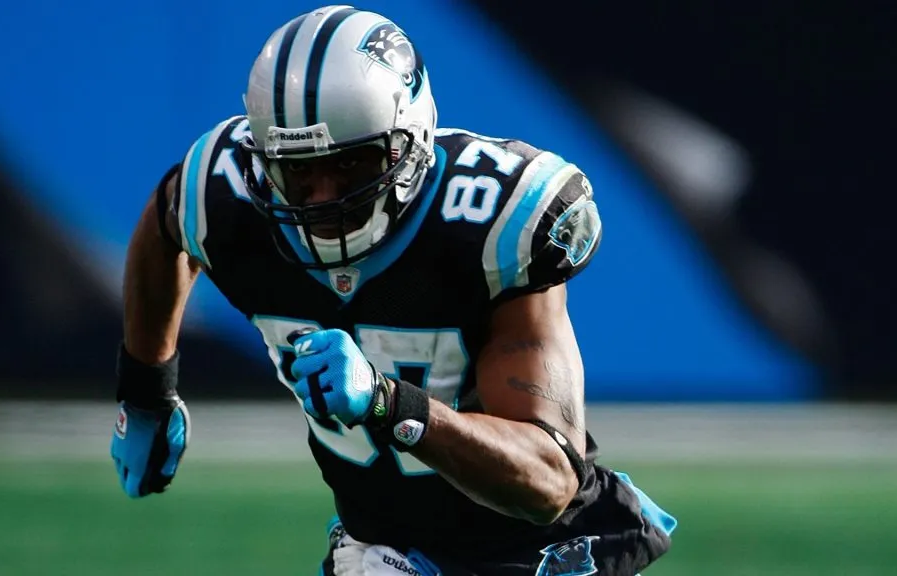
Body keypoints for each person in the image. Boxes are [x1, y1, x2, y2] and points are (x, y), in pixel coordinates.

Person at [109, 5, 676, 575]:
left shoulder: (490, 223)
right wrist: (146, 389)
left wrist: (388, 403)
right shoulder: (223, 191)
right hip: (384, 543)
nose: (324, 199)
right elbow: (166, 226)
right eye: (298, 170)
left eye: (351, 164)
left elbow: (548, 480)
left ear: (412, 141)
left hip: (529, 551)